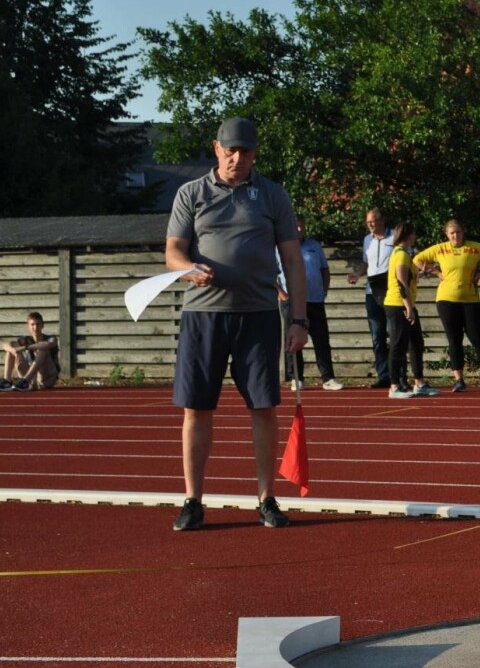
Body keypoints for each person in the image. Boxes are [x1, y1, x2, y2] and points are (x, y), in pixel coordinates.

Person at [164, 116, 307, 531]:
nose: (237, 158)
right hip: (203, 315)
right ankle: (193, 500)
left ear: (255, 153)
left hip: (259, 315)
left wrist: (299, 319)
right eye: (230, 150)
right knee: (196, 408)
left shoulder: (273, 195)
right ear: (216, 148)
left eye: (245, 151)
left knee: (263, 408)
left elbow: (293, 261)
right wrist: (188, 268)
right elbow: (172, 252)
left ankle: (266, 498)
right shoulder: (191, 193)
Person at [415, 219, 480, 392]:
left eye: (458, 232)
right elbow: (417, 259)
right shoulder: (440, 249)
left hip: (470, 299)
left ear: (462, 232)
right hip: (446, 299)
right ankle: (458, 379)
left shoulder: (474, 248)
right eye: (452, 233)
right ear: (447, 235)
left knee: (478, 339)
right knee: (454, 339)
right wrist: (436, 272)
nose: (455, 236)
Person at [276, 215, 342, 391]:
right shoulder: (280, 247)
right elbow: (269, 273)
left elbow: (325, 271)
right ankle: (296, 378)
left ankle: (328, 378)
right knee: (292, 341)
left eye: (301, 226)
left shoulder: (314, 246)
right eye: (295, 226)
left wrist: (324, 291)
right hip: (291, 301)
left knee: (321, 340)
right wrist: (282, 294)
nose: (298, 230)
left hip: (315, 300)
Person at [385, 221, 438, 399]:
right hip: (398, 304)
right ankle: (394, 386)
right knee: (398, 345)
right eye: (414, 234)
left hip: (407, 304)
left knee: (416, 343)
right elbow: (401, 283)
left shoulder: (406, 255)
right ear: (408, 235)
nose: (415, 237)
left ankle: (419, 382)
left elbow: (409, 277)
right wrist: (408, 308)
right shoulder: (400, 255)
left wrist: (422, 273)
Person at [346, 208, 394, 388]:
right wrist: (357, 274)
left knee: (395, 334)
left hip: (391, 292)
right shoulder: (367, 240)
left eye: (373, 221)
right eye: (367, 223)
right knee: (377, 336)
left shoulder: (395, 237)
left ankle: (399, 375)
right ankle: (384, 376)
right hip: (372, 293)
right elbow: (367, 263)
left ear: (382, 221)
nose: (370, 225)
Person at [0, 312, 60, 391]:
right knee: (11, 349)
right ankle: (7, 381)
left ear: (42, 325)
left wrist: (25, 347)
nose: (35, 327)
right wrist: (13, 350)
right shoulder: (26, 339)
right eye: (32, 325)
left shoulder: (51, 338)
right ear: (28, 326)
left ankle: (25, 381)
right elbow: (5, 344)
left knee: (43, 350)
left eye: (38, 324)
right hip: (32, 377)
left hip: (47, 378)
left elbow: (46, 345)